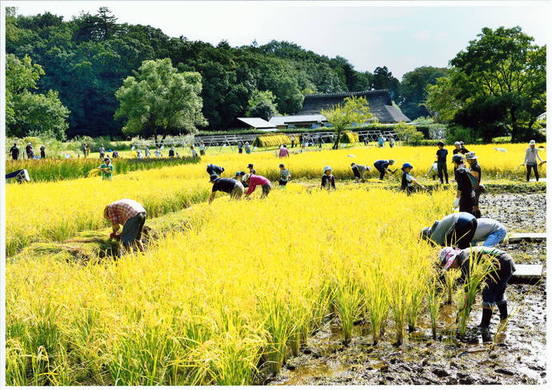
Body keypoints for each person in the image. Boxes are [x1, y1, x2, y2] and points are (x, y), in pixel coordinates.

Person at [438, 246, 515, 342]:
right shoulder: (464, 256)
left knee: (488, 293)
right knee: (498, 293)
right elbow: (474, 285)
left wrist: (464, 310)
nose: (450, 268)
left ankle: (484, 325)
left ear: (454, 258)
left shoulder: (466, 261)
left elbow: (470, 291)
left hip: (500, 264)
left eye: (450, 264)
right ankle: (504, 318)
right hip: (507, 261)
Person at [466, 152, 483, 218]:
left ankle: (477, 218)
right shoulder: (473, 165)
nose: (467, 161)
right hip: (475, 187)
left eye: (468, 159)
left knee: (475, 205)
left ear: (472, 159)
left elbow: (474, 179)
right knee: (475, 205)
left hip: (475, 188)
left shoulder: (474, 167)